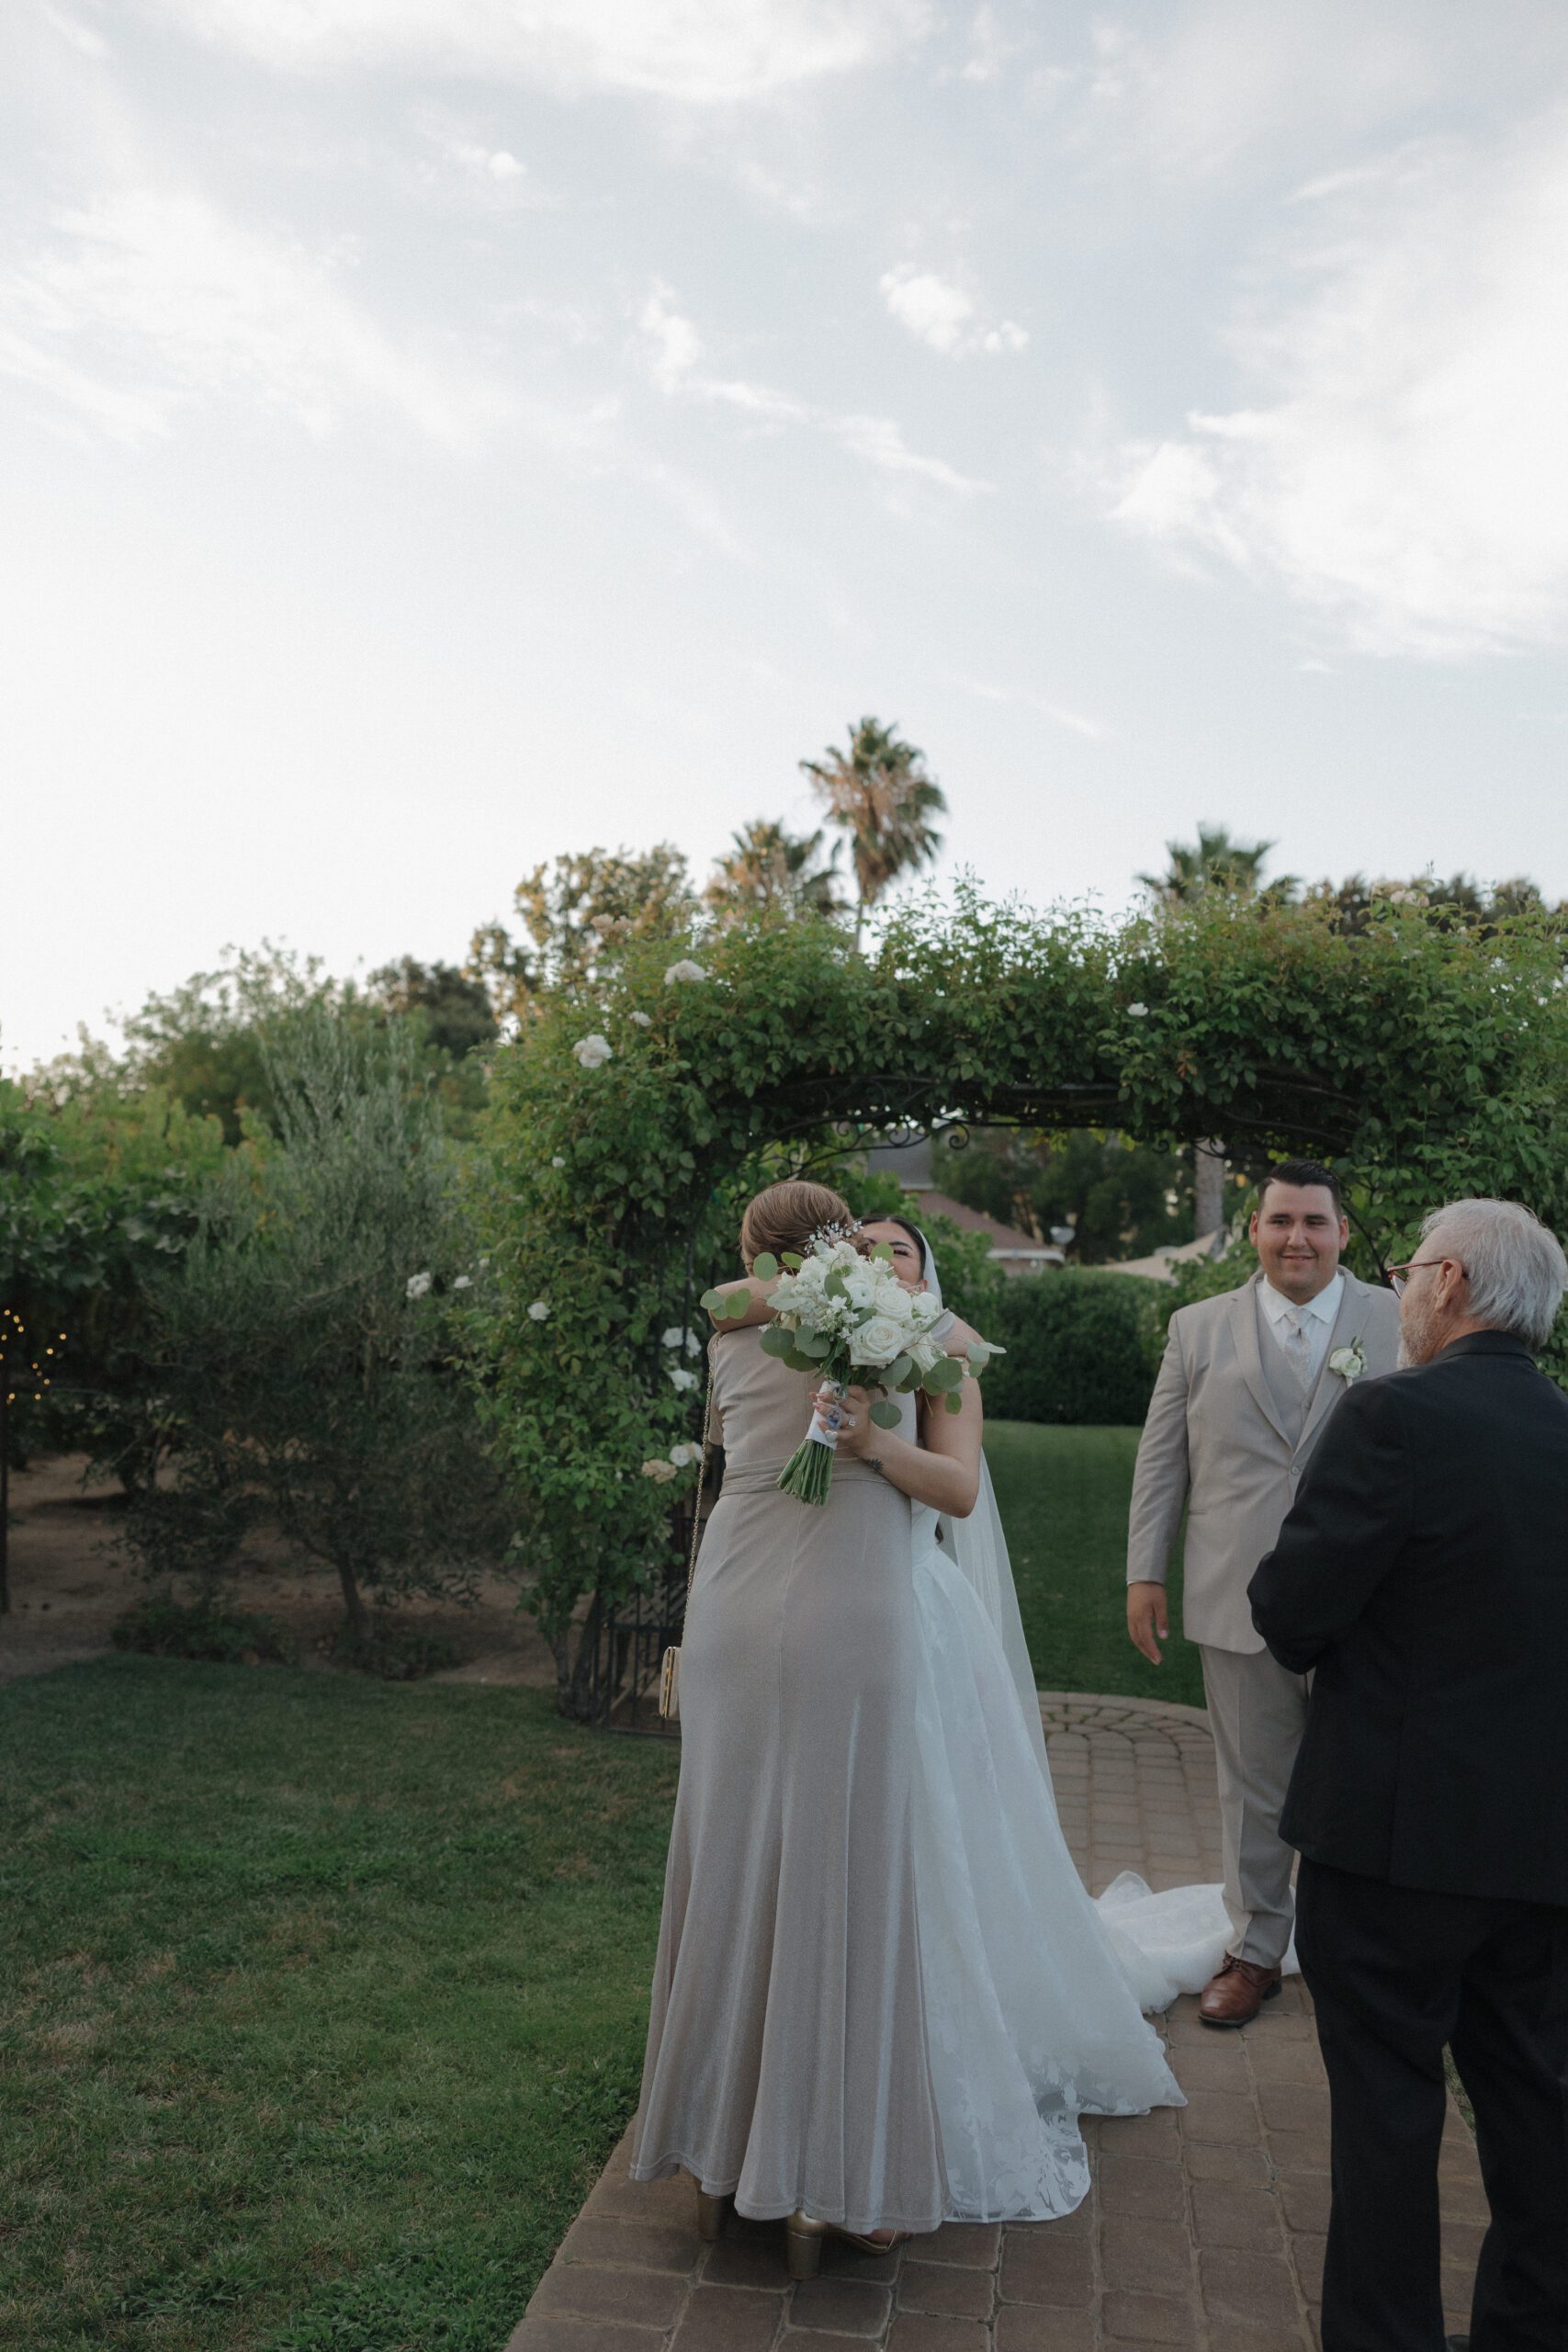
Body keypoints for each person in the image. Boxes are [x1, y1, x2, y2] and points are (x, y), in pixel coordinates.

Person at [629, 1184, 1181, 2276]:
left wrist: (867, 1434)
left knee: (747, 1863)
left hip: (756, 1598)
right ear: (841, 1251)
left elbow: (953, 1483)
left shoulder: (747, 1324)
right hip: (820, 1608)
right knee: (834, 1875)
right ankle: (835, 2174)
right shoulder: (894, 1332)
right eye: (862, 1249)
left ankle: (721, 2153)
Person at [1249, 1198, 1568, 2352]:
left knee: (1388, 2126)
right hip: (1541, 1853)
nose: (1404, 1291)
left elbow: (1290, 1613)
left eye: (1408, 1270)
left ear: (1448, 1283)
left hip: (1389, 1848)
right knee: (1539, 2121)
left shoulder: (1393, 1417)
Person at [1125, 1159, 1402, 2026]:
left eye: (1314, 1222)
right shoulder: (1196, 1326)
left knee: (1367, 1773)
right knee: (1251, 1782)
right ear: (1253, 1230)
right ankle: (1253, 1949)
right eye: (1280, 1221)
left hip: (1370, 1595)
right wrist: (1144, 1569)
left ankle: (1355, 1945)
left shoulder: (1396, 1319)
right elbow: (1162, 1457)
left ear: (1341, 1233)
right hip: (1235, 1589)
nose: (1297, 1238)